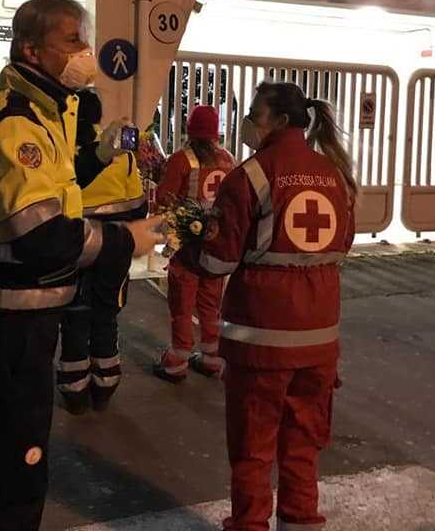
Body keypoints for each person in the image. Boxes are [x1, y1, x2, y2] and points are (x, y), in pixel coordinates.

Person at [0, 0, 163, 531]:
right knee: (14, 471)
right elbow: (44, 236)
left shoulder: (45, 113)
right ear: (30, 49)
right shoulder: (16, 125)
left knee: (9, 458)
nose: (85, 52)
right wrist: (125, 241)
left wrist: (101, 154)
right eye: (72, 41)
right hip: (5, 318)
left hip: (21, 315)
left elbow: (58, 190)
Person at [185, 82, 356, 531]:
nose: (247, 122)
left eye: (255, 114)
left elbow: (218, 260)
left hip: (261, 343)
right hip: (319, 342)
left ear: (279, 121)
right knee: (303, 446)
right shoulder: (335, 174)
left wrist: (190, 244)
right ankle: (300, 522)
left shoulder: (252, 176)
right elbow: (343, 244)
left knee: (253, 450)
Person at [56, 88, 147, 415]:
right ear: (99, 118)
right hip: (115, 247)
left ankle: (74, 389)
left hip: (74, 245)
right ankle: (106, 384)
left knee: (74, 315)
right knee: (106, 313)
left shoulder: (61, 153)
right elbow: (138, 207)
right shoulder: (123, 154)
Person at [153, 105, 235, 382]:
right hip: (215, 246)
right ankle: (212, 357)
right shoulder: (229, 160)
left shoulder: (180, 160)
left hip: (186, 247)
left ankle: (177, 360)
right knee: (211, 303)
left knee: (182, 303)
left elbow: (164, 198)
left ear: (190, 130)